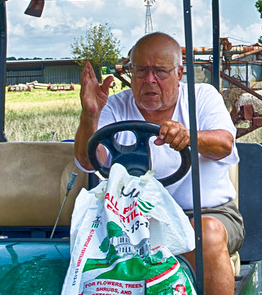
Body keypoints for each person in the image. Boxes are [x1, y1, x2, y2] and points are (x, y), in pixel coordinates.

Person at [74, 32, 243, 295]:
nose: (149, 80)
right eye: (141, 71)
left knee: (205, 233)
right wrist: (90, 115)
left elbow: (224, 144)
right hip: (133, 216)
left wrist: (189, 137)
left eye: (160, 72)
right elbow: (89, 161)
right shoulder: (115, 105)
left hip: (204, 213)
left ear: (179, 73)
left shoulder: (202, 97)